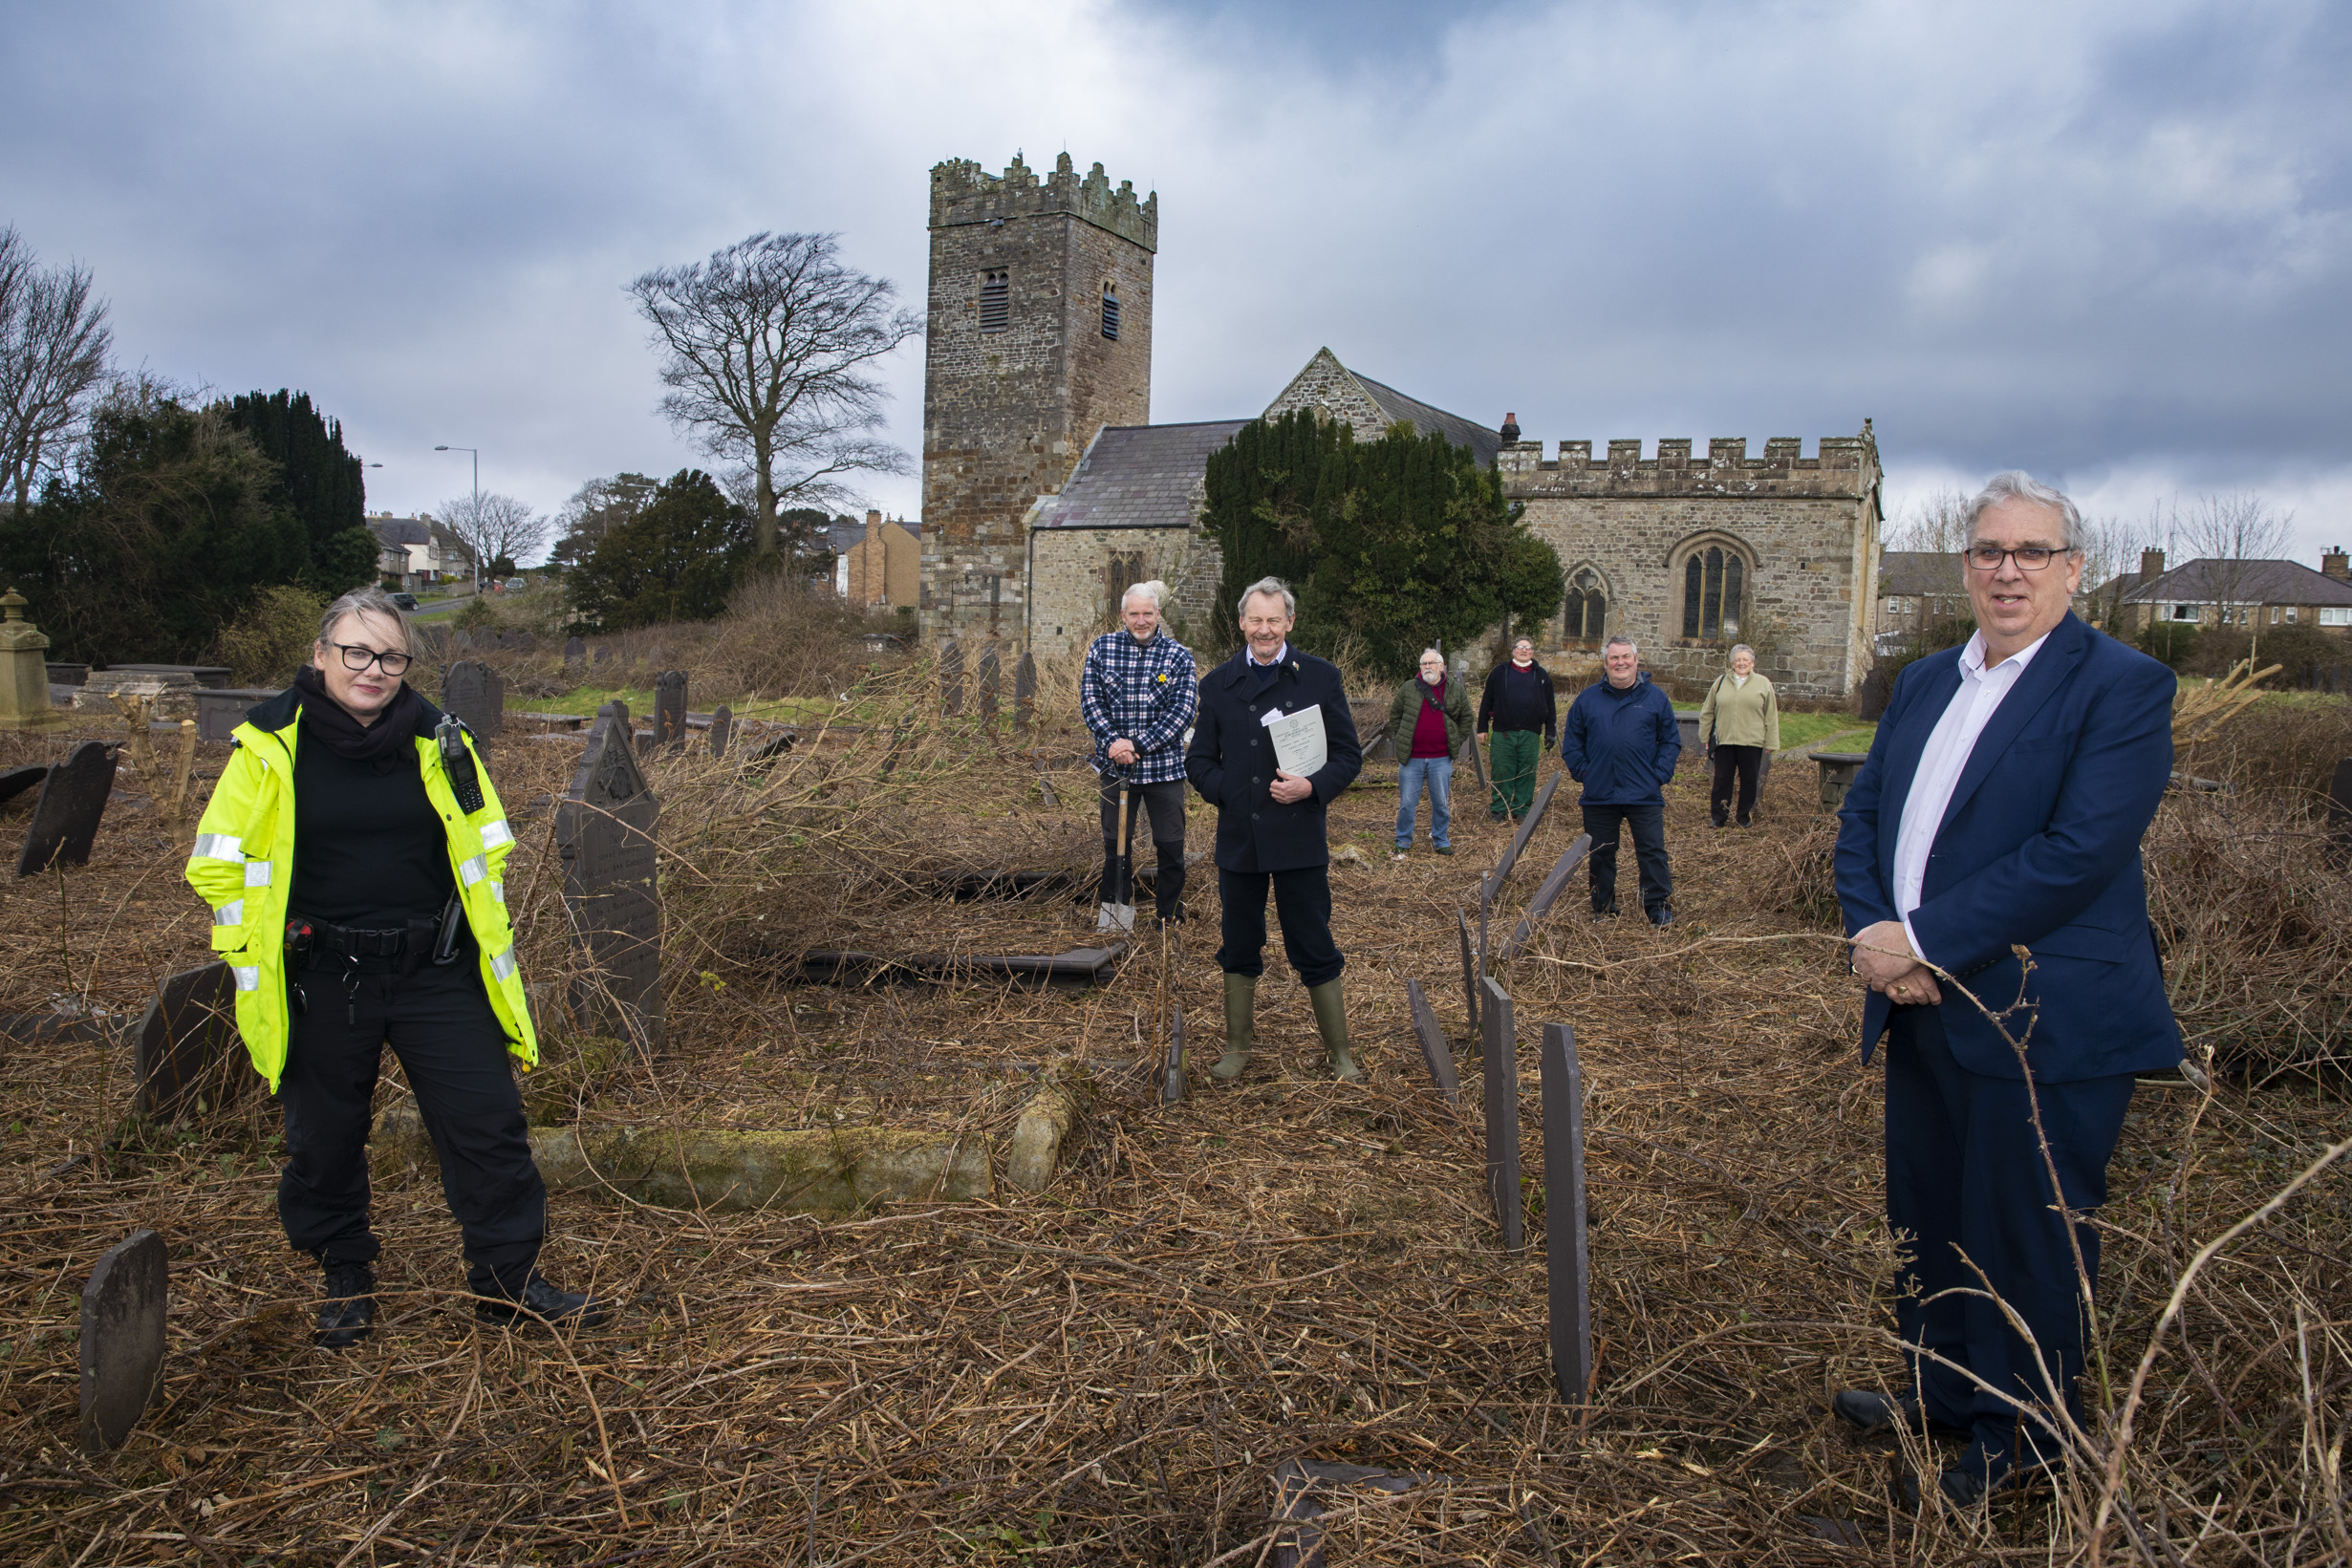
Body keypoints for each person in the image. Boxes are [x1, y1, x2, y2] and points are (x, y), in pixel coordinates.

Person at [1832, 472, 2182, 1506]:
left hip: (2043, 1014)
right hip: (1919, 999)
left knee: (2026, 1226)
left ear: (2072, 571)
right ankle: (1941, 1388)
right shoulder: (1926, 682)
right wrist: (1870, 931)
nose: (2007, 570)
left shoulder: (2120, 686)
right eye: (1989, 550)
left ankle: (2022, 1439)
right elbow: (1864, 819)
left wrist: (1925, 942)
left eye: (2032, 552)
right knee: (1930, 1206)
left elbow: (2077, 853)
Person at [184, 587, 608, 1348]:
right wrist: (260, 941)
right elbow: (216, 862)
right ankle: (345, 1274)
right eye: (356, 651)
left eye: (390, 656)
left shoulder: (441, 739)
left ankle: (507, 1284)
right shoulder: (267, 747)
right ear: (320, 656)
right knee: (325, 1140)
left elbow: (488, 843)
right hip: (320, 975)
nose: (372, 669)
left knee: (488, 1126)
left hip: (433, 971)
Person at [1185, 576, 1365, 1082]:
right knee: (1239, 941)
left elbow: (1349, 755)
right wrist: (1233, 793)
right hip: (1239, 839)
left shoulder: (1320, 678)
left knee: (1312, 940)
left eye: (1274, 620)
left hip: (1299, 836)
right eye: (1255, 620)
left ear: (1289, 622)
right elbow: (1199, 762)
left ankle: (1340, 1054)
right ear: (1241, 622)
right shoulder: (1217, 684)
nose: (1264, 630)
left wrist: (1311, 788)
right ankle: (1237, 1048)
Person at [1080, 580, 1198, 924]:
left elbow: (1182, 711)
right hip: (1114, 767)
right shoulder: (1102, 649)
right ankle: (1118, 915)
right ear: (1123, 615)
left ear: (1158, 613)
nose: (1141, 620)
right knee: (1115, 845)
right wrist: (1115, 743)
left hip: (1164, 770)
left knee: (1171, 845)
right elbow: (1091, 702)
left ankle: (1169, 915)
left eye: (1148, 613)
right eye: (1135, 614)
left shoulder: (1178, 656)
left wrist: (1138, 745)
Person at [1560, 635, 1680, 925]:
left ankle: (1657, 907)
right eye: (1614, 658)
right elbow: (1572, 743)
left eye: (1626, 656)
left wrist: (1658, 775)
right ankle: (1603, 907)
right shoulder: (1587, 699)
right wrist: (1585, 773)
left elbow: (1670, 742)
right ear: (1605, 663)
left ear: (1636, 661)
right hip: (1600, 793)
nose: (1620, 662)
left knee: (1652, 852)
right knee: (1601, 854)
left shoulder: (1655, 698)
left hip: (1644, 792)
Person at [1386, 647, 1471, 858]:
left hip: (1441, 758)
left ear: (1441, 666)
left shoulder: (1455, 689)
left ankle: (1440, 839)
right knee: (1407, 804)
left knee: (1441, 803)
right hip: (1411, 758)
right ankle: (1403, 840)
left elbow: (1466, 717)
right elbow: (1395, 715)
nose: (1426, 667)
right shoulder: (1408, 688)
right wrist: (1404, 737)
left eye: (1431, 663)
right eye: (1423, 664)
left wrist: (1456, 741)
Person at [1697, 643, 1780, 827]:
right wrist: (1705, 737)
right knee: (1721, 780)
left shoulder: (1763, 683)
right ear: (1732, 662)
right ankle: (1719, 817)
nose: (1741, 663)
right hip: (1725, 740)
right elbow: (1708, 711)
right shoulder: (1720, 682)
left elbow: (1771, 715)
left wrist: (1771, 742)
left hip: (1752, 741)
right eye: (1738, 660)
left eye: (1745, 660)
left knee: (1749, 780)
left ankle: (1743, 817)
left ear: (1752, 663)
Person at [1478, 636, 1556, 822]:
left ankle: (1521, 809)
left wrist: (1550, 731)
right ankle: (1499, 809)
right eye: (1520, 647)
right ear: (1513, 650)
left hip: (1530, 733)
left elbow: (1550, 707)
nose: (1524, 650)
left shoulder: (1542, 676)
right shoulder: (1499, 672)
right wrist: (1482, 728)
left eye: (1528, 648)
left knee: (1527, 772)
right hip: (1503, 733)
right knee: (1502, 770)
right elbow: (1486, 700)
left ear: (1532, 652)